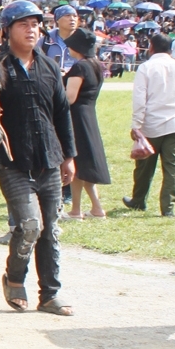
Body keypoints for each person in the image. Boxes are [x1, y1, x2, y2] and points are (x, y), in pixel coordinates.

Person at [0, 0, 76, 316]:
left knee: (50, 229)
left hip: (50, 159)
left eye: (36, 24)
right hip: (12, 161)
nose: (32, 30)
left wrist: (69, 156)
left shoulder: (49, 67)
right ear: (7, 30)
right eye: (24, 24)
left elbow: (62, 114)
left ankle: (50, 294)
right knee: (29, 225)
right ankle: (14, 279)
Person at [123, 31, 175, 218]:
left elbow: (140, 99)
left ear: (151, 47)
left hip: (151, 125)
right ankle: (168, 208)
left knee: (144, 166)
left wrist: (136, 125)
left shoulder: (146, 68)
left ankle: (138, 200)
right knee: (172, 168)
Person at [63, 28, 109, 219]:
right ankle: (92, 209)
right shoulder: (95, 65)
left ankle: (77, 210)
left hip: (76, 117)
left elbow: (70, 98)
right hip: (88, 115)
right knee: (83, 167)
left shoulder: (80, 67)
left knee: (78, 164)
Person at [38, 5, 79, 72]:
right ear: (57, 20)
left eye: (75, 16)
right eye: (67, 15)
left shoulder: (83, 41)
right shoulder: (46, 41)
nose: (72, 19)